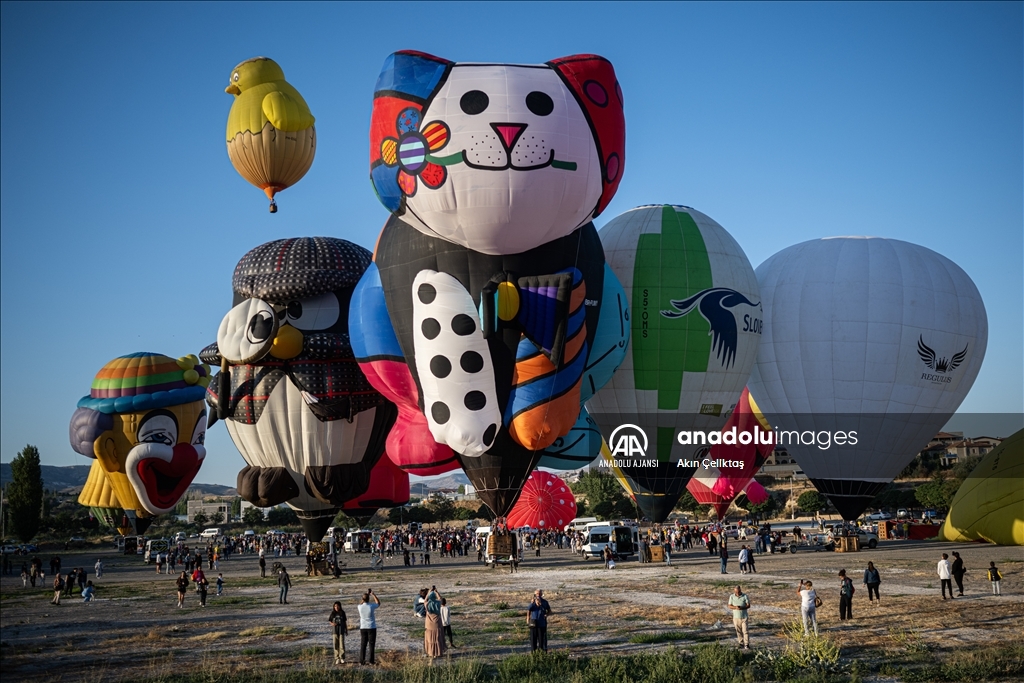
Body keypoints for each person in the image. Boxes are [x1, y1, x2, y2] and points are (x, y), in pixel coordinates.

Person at [358, 589, 381, 665]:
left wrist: (365, 596)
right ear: (368, 599)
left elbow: (361, 603)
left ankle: (362, 661)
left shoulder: (359, 607)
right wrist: (373, 595)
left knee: (363, 644)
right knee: (371, 645)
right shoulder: (371, 606)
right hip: (371, 627)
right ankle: (371, 661)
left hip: (363, 627)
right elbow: (378, 603)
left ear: (362, 599)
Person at [728, 585, 751, 649]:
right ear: (734, 591)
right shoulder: (732, 596)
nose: (737, 593)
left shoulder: (745, 596)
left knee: (745, 631)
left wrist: (742, 608)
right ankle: (741, 643)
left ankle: (746, 644)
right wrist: (735, 607)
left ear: (740, 590)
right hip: (736, 617)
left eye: (738, 592)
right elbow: (729, 606)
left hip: (744, 616)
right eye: (736, 592)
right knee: (738, 631)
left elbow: (748, 605)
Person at [424, 588, 445, 659]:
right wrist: (437, 592)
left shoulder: (427, 604)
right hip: (437, 624)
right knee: (437, 639)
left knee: (430, 640)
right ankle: (438, 653)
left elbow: (425, 600)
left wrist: (428, 593)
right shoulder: (438, 604)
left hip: (429, 625)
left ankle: (431, 653)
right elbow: (440, 599)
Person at [329, 601, 348, 665]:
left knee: (341, 645)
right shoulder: (332, 613)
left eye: (337, 606)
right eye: (335, 606)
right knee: (335, 645)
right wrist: (332, 624)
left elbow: (345, 622)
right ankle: (337, 658)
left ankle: (342, 657)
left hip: (341, 631)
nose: (336, 607)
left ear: (340, 606)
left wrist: (346, 630)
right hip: (334, 631)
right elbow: (330, 621)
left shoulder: (342, 613)